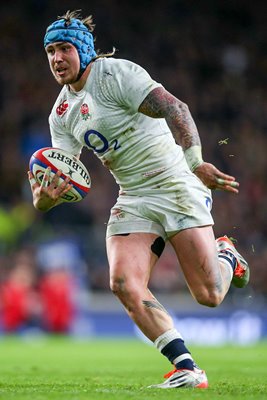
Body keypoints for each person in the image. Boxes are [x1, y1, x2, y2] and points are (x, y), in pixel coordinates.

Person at [28, 10, 250, 389]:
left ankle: (226, 255)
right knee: (122, 281)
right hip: (133, 195)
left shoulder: (116, 75)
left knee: (209, 295)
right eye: (50, 51)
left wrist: (195, 162)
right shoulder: (62, 113)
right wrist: (45, 199)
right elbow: (64, 174)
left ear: (82, 48)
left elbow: (174, 108)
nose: (56, 58)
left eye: (64, 48)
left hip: (175, 181)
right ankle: (187, 368)